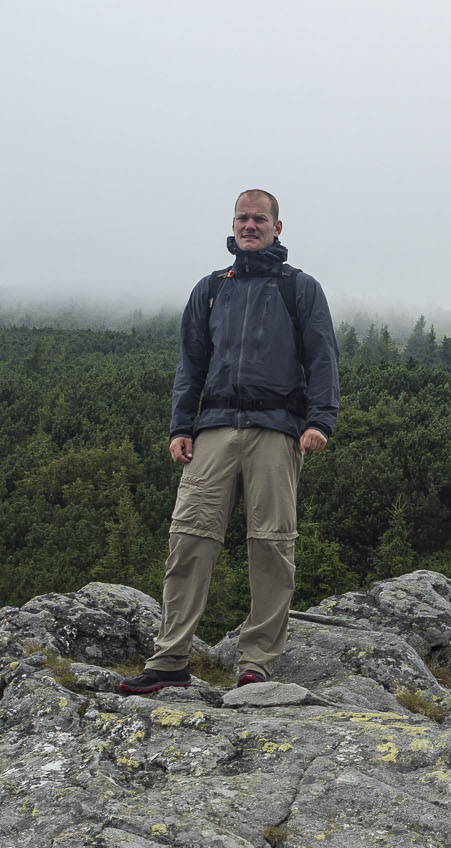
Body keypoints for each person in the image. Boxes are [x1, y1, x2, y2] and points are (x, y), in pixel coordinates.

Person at [120, 189, 340, 694]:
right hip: (214, 429)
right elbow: (190, 363)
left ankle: (257, 664)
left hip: (278, 430)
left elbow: (322, 358)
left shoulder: (299, 289)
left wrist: (319, 422)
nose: (249, 225)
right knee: (190, 540)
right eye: (242, 218)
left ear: (277, 228)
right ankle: (170, 659)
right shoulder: (210, 289)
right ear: (233, 224)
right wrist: (180, 427)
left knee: (271, 546)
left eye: (259, 218)